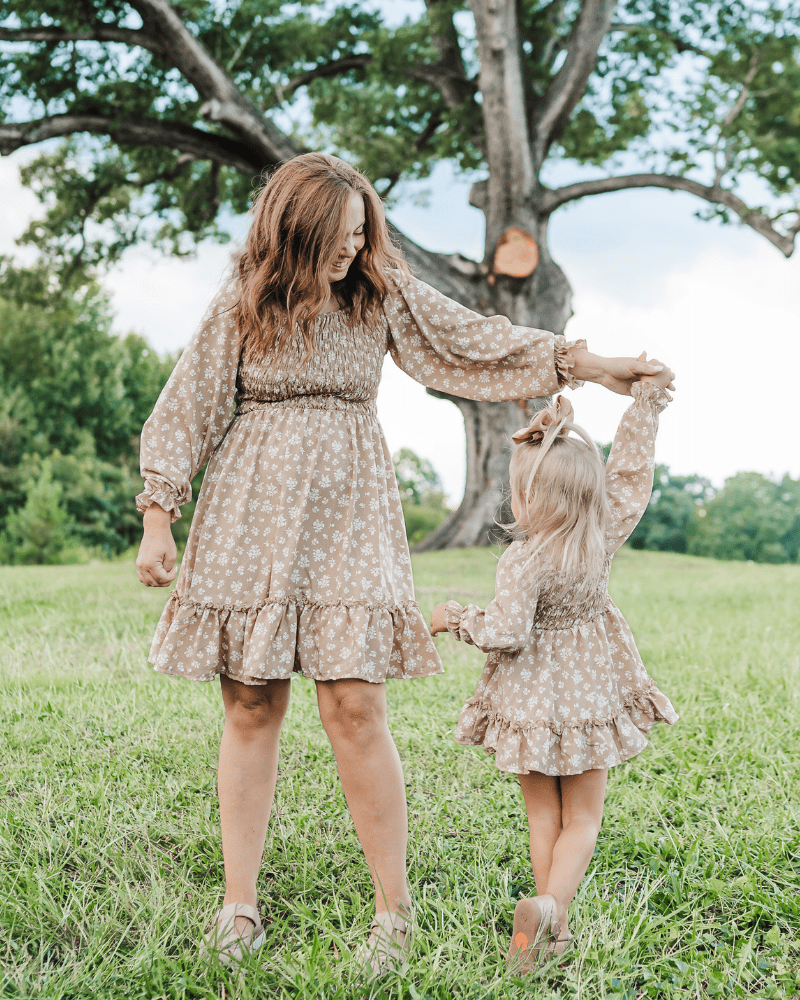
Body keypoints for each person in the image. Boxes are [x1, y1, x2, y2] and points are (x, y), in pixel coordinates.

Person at [135, 151, 664, 973]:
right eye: (339, 237)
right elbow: (189, 404)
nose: (352, 248)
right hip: (250, 512)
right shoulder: (244, 298)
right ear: (297, 231)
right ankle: (239, 904)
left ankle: (394, 910)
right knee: (250, 703)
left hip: (350, 512)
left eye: (361, 233)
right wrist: (158, 517)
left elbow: (473, 342)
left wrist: (590, 366)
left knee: (354, 704)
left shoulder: (377, 292)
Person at [429, 365, 679, 973]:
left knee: (543, 814)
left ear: (527, 497)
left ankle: (549, 926)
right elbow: (631, 473)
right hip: (591, 692)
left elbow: (506, 632)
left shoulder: (523, 559)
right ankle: (552, 915)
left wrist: (455, 619)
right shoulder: (602, 534)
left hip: (532, 700)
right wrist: (644, 407)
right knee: (584, 818)